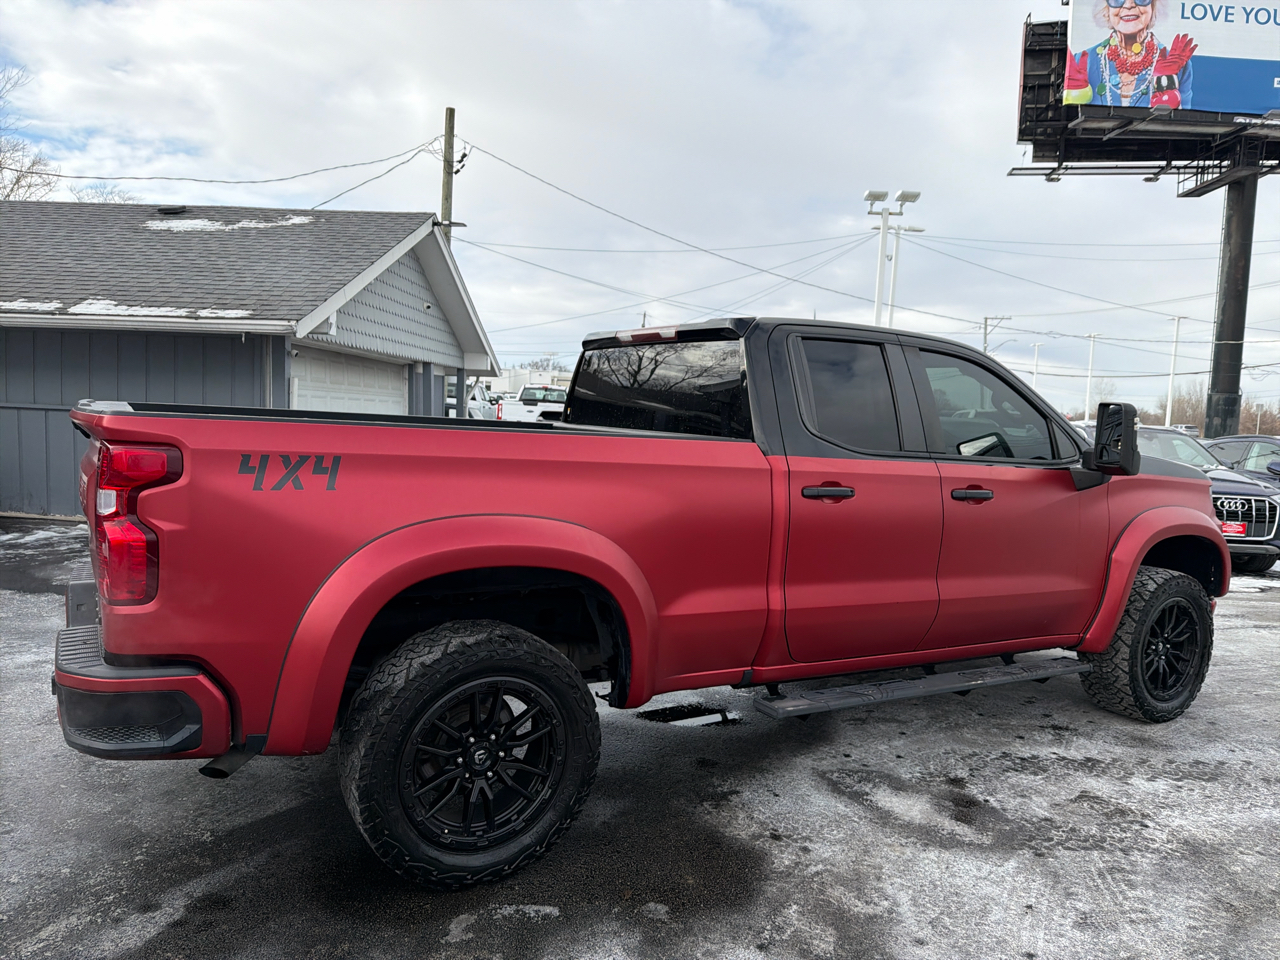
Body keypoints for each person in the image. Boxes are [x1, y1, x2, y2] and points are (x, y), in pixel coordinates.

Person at [1064, 0, 1195, 109]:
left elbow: (1185, 125)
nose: (1128, 5)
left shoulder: (1178, 65)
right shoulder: (1083, 61)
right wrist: (1075, 95)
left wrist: (1167, 86)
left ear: (1153, 6)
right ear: (1106, 9)